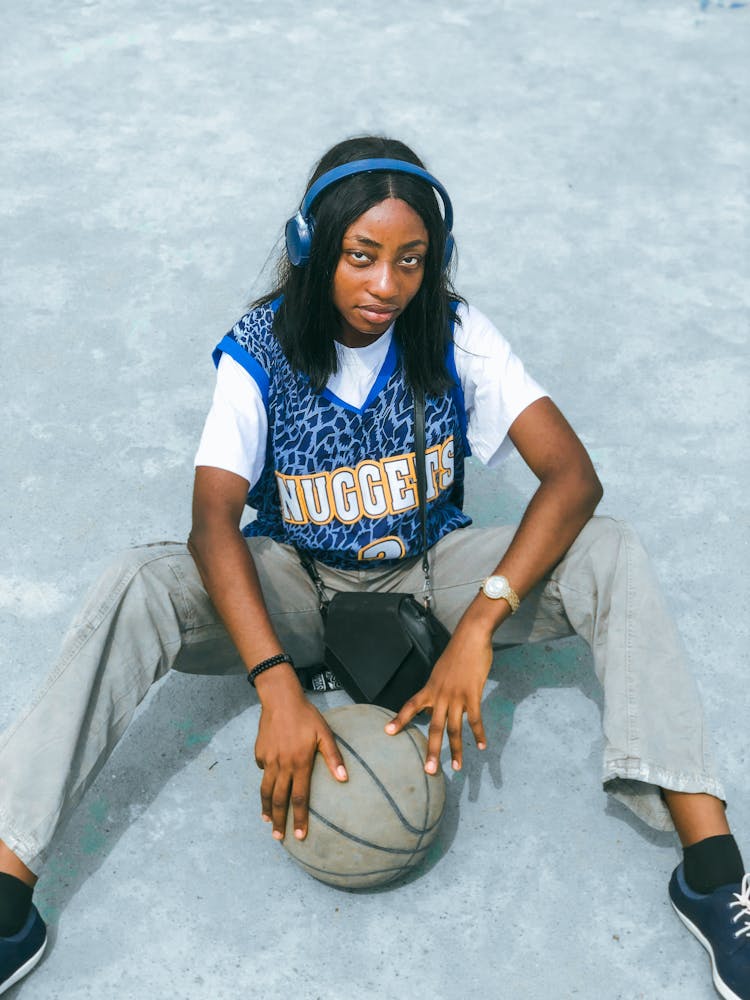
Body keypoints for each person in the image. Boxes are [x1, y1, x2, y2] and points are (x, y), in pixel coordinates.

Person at [0, 135, 747, 999]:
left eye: (410, 261)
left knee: (608, 546)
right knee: (140, 581)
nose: (386, 285)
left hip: (430, 578)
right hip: (298, 586)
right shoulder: (261, 346)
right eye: (362, 257)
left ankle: (713, 869)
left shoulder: (454, 332)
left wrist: (481, 623)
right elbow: (212, 522)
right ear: (314, 248)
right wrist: (275, 684)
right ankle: (9, 891)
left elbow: (572, 476)